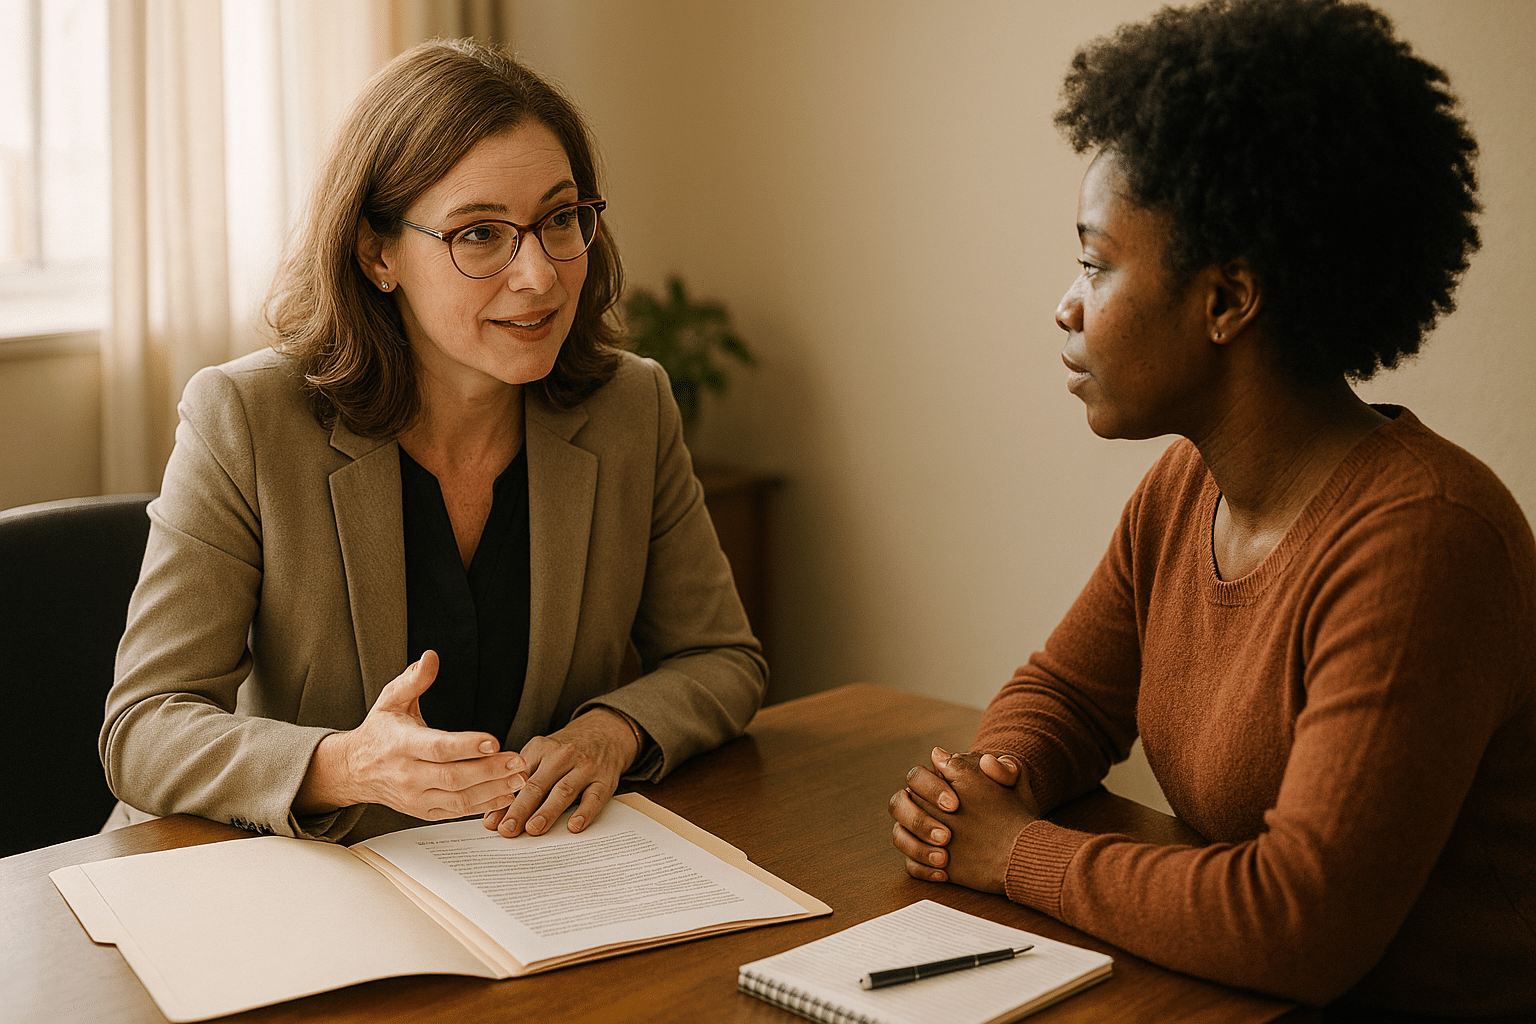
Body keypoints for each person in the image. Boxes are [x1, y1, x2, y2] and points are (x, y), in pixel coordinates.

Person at [888, 0, 1535, 1016]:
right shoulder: (1188, 488)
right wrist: (994, 776)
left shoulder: (1426, 541)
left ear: (1228, 300)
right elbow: (1068, 692)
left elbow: (1299, 919)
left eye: (1097, 263)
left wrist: (1014, 851)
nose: (1067, 302)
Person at [102, 39, 766, 846]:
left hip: (531, 877)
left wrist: (611, 731)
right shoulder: (245, 418)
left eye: (560, 219)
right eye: (480, 235)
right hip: (297, 877)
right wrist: (345, 765)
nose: (541, 276)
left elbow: (723, 659)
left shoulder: (631, 405)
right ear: (378, 252)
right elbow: (144, 726)